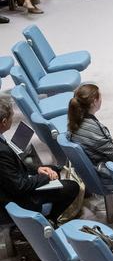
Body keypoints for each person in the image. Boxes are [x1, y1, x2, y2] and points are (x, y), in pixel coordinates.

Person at [0, 94, 81, 226]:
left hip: (11, 183)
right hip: (16, 200)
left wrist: (37, 169)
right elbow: (20, 186)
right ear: (4, 122)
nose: (12, 119)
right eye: (11, 118)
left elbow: (11, 167)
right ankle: (49, 220)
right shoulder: (2, 151)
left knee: (54, 168)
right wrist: (46, 177)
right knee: (71, 187)